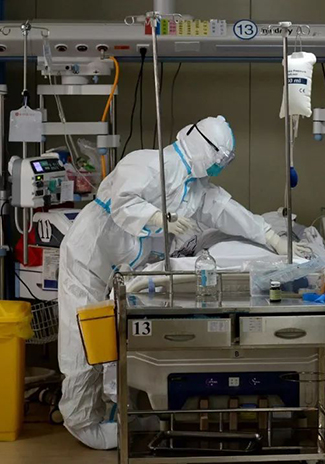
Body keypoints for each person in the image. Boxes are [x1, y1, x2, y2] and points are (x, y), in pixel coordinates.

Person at [58, 115, 310, 449]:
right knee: (82, 338)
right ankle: (81, 422)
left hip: (122, 267)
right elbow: (122, 202)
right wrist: (156, 217)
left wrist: (271, 237)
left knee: (112, 339)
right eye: (220, 159)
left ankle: (116, 413)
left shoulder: (196, 189)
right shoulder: (148, 164)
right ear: (205, 149)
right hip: (89, 256)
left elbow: (229, 211)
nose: (220, 167)